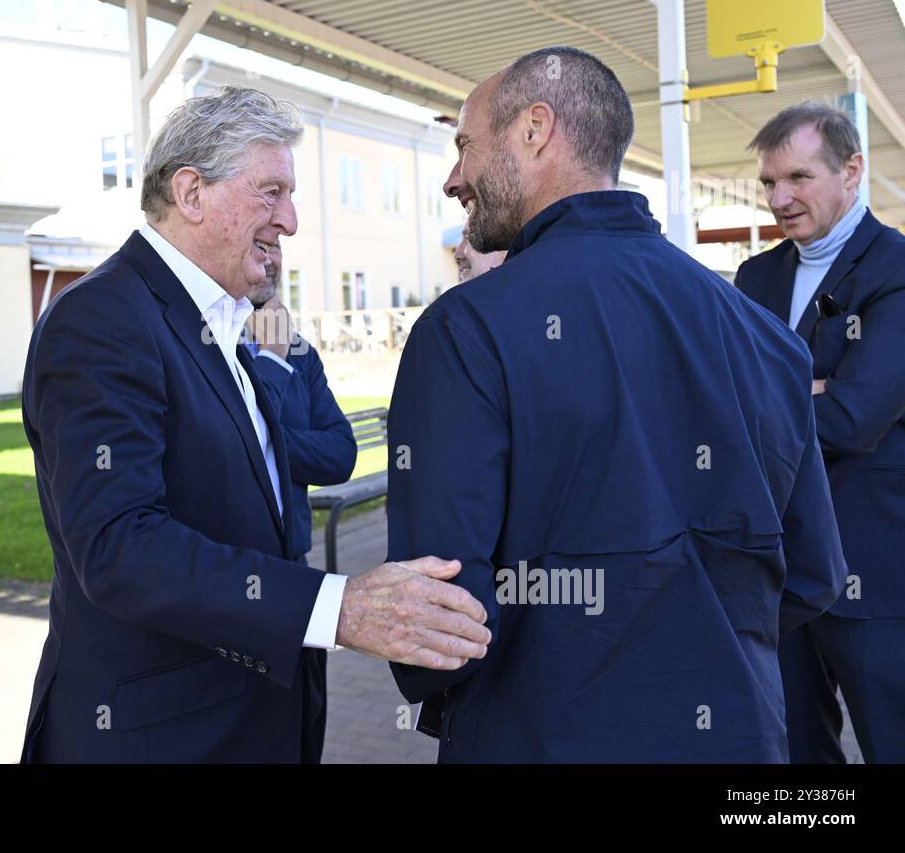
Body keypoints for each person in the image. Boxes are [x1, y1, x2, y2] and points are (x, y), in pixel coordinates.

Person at [386, 46, 847, 762]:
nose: (455, 179)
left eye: (464, 146)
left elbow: (437, 632)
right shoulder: (763, 335)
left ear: (534, 130)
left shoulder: (466, 328)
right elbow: (812, 571)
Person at [19, 86, 490, 763]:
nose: (290, 221)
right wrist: (339, 608)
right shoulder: (103, 322)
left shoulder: (229, 322)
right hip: (157, 738)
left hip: (250, 719)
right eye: (271, 192)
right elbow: (120, 547)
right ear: (190, 193)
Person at [734, 102, 905, 763]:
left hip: (875, 571)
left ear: (852, 170)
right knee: (794, 752)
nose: (781, 198)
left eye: (799, 178)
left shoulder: (894, 269)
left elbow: (854, 417)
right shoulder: (755, 277)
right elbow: (722, 403)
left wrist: (771, 396)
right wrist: (814, 385)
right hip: (778, 573)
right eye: (769, 183)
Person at [243, 240, 357, 761]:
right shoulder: (205, 349)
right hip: (237, 585)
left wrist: (273, 440)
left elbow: (339, 454)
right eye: (259, 244)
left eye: (278, 248)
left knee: (305, 734)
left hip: (298, 573)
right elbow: (232, 451)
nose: (272, 258)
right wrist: (270, 361)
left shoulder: (299, 349)